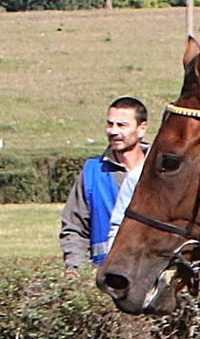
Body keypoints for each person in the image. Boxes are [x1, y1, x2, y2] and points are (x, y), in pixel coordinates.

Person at [60, 96, 150, 273]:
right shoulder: (92, 171)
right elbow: (74, 228)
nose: (113, 131)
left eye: (122, 125)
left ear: (142, 129)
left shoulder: (162, 170)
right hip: (107, 275)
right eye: (110, 124)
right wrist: (77, 269)